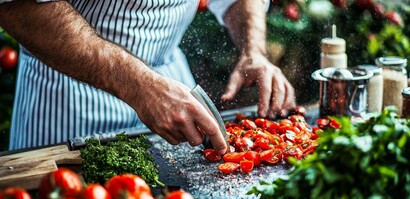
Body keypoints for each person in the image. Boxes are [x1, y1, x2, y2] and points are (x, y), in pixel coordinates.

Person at [0, 0, 296, 154]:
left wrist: (253, 51)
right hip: (69, 100)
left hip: (171, 83)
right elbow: (17, 6)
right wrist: (139, 85)